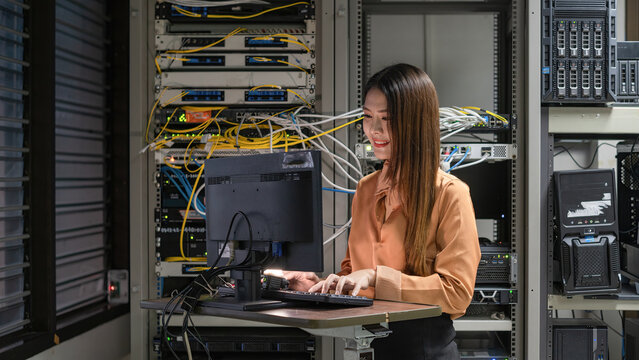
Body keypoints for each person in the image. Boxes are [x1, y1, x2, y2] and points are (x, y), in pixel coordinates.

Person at [285, 63, 481, 359]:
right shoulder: (366, 189)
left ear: (416, 122)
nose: (374, 130)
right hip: (372, 348)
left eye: (387, 119)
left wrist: (377, 277)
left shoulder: (450, 194)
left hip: (426, 351)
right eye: (367, 117)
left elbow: (457, 294)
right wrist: (321, 287)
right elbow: (355, 274)